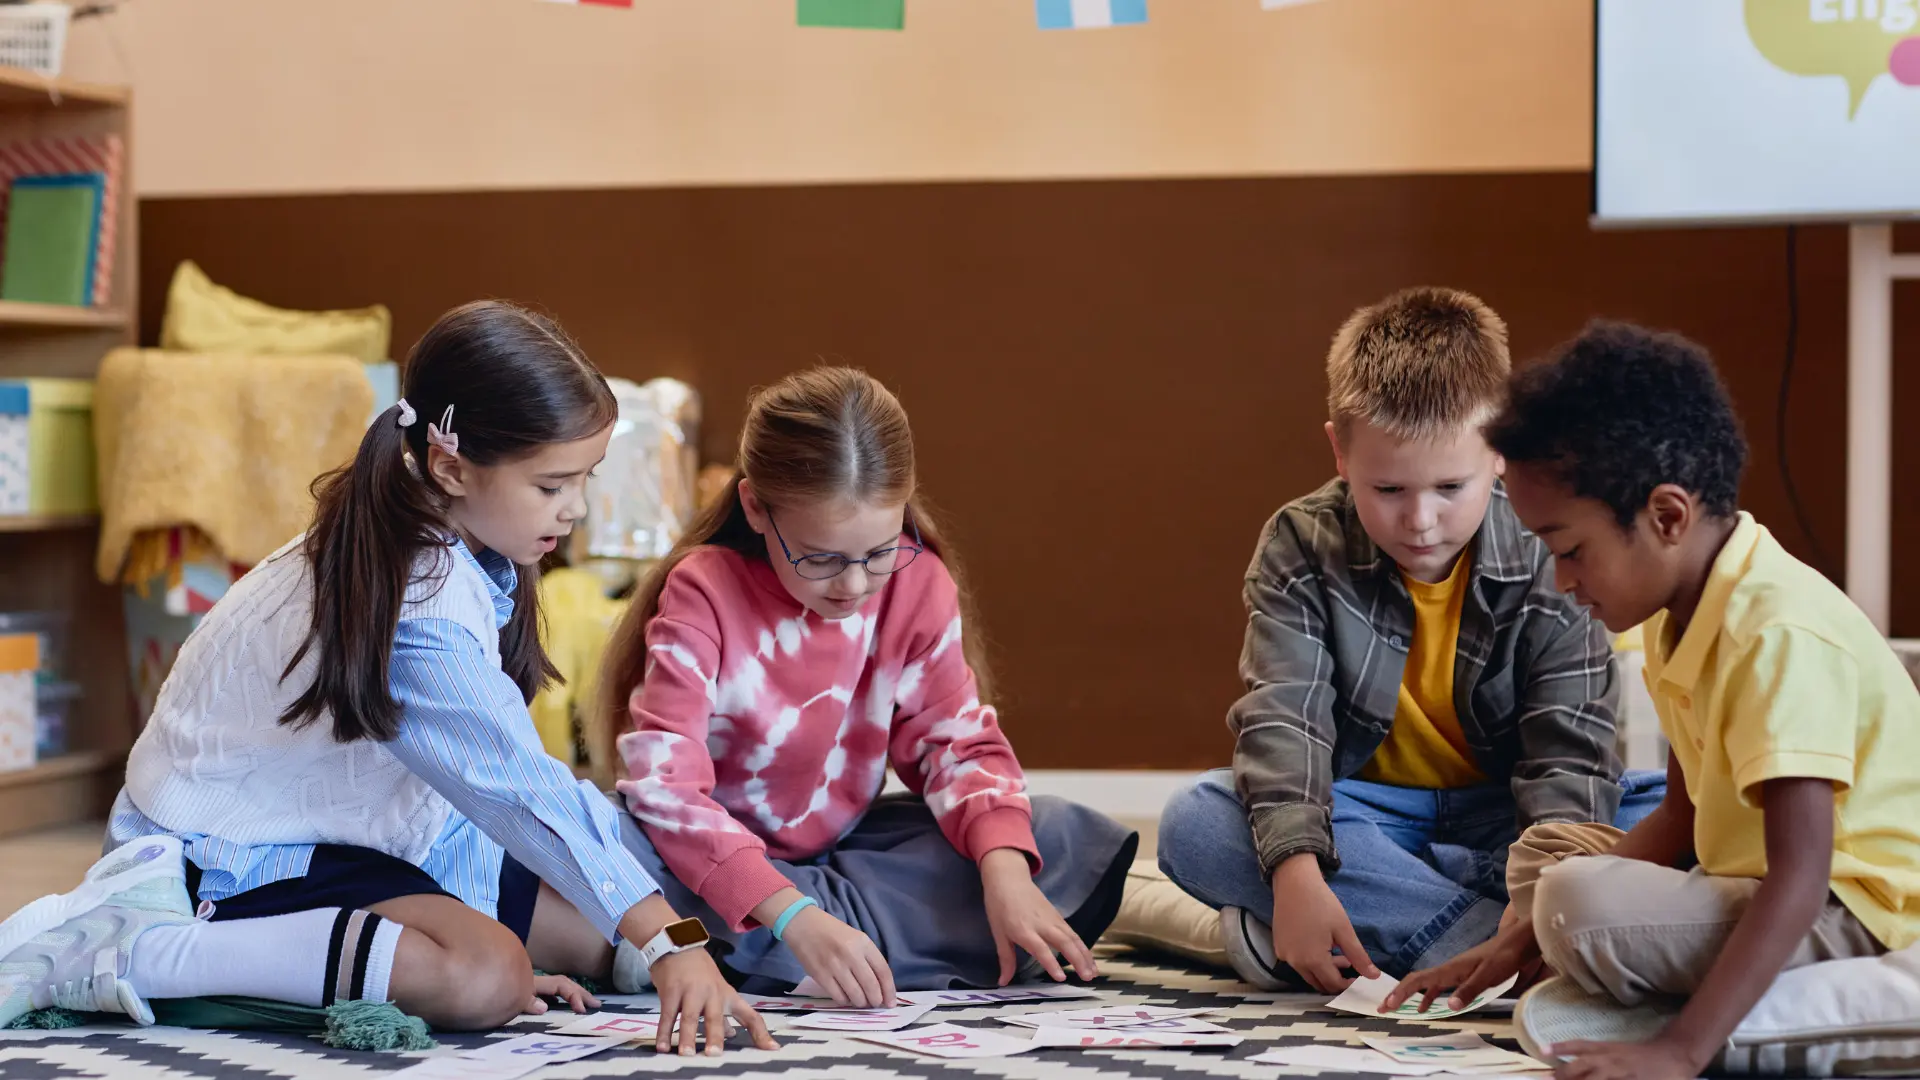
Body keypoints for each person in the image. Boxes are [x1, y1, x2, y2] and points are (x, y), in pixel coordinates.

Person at [0, 301, 772, 1056]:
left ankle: (348, 949)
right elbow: (514, 784)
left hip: (360, 834)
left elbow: (495, 787)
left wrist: (650, 929)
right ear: (450, 464)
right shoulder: (419, 597)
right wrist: (670, 942)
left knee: (603, 935)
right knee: (488, 976)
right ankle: (134, 952)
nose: (573, 509)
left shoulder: (452, 534)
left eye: (583, 479)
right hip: (233, 849)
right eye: (550, 486)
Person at [1387, 322, 1920, 1080]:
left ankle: (1694, 1021)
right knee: (1560, 890)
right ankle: (1638, 994)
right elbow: (1682, 817)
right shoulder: (1683, 619)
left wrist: (1681, 1053)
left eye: (1571, 550)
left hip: (1854, 908)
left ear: (1667, 518)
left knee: (1576, 899)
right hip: (1748, 883)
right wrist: (1513, 940)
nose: (1562, 581)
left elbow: (1804, 878)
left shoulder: (1776, 634)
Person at [1157, 288, 1663, 993]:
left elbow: (1569, 754)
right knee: (1199, 820)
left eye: (1450, 487)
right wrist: (1297, 873)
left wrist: (1540, 881)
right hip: (1363, 810)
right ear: (1340, 450)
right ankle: (1508, 956)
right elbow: (1285, 719)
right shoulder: (1302, 543)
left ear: (1500, 452)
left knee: (1671, 809)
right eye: (1388, 489)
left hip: (1505, 817)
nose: (1420, 520)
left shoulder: (1554, 547)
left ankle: (1404, 930)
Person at [594, 366, 1137, 1004]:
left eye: (878, 553)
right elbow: (666, 790)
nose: (853, 586)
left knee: (1053, 836)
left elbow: (956, 748)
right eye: (820, 558)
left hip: (839, 860)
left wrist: (1006, 879)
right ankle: (769, 942)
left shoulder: (920, 581)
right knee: (590, 841)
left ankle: (721, 951)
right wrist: (794, 915)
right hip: (703, 863)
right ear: (755, 508)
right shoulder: (704, 588)